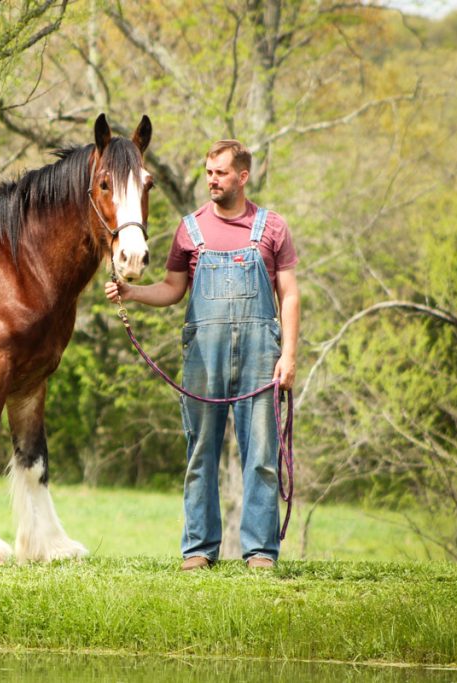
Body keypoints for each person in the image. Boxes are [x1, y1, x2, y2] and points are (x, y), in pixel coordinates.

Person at [105, 140, 300, 570]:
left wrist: (288, 356)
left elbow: (288, 295)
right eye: (209, 171)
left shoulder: (272, 228)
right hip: (202, 357)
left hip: (260, 354)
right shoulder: (188, 230)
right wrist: (132, 293)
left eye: (221, 173)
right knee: (200, 452)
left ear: (242, 177)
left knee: (262, 455)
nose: (211, 179)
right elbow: (174, 290)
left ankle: (260, 552)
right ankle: (198, 549)